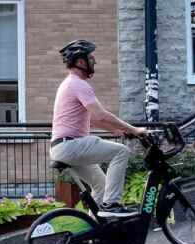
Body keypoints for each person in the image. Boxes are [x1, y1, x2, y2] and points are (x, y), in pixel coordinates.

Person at [50, 39, 147, 217]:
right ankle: (112, 205)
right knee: (121, 152)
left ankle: (92, 232)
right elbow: (102, 114)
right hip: (71, 146)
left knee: (100, 185)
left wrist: (115, 131)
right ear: (81, 62)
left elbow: (94, 119)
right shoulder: (78, 84)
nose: (95, 61)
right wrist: (135, 130)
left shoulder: (69, 84)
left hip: (63, 147)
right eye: (91, 57)